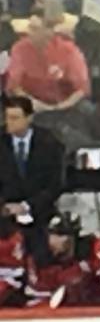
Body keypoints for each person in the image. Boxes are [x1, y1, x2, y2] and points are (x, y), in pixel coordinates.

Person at [0, 92, 67, 234]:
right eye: (7, 118)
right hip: (4, 218)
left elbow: (55, 184)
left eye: (15, 118)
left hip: (41, 215)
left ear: (29, 118)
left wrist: (27, 206)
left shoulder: (50, 143)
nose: (9, 123)